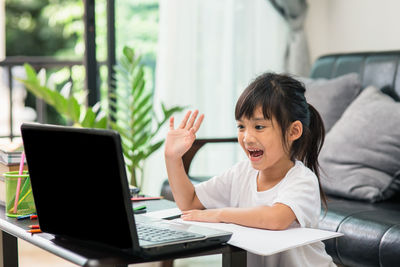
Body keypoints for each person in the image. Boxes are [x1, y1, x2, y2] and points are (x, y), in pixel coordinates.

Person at [164, 72, 335, 267]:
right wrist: (172, 158)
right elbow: (189, 202)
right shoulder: (241, 173)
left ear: (293, 131)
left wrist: (218, 214)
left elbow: (275, 219)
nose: (247, 137)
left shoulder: (302, 180)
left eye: (259, 126)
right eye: (241, 126)